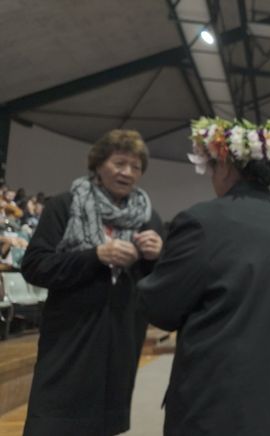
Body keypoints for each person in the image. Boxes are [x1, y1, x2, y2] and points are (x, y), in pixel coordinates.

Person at [137, 117, 270, 436]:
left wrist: (152, 263)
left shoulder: (203, 222)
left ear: (223, 164)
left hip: (222, 408)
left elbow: (161, 308)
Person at [20, 129, 163, 436]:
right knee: (53, 422)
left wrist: (158, 258)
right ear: (99, 164)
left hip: (121, 340)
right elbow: (34, 266)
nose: (127, 172)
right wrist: (95, 255)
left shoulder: (149, 218)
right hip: (69, 338)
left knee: (103, 426)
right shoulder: (64, 206)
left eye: (136, 167)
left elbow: (160, 286)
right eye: (120, 163)